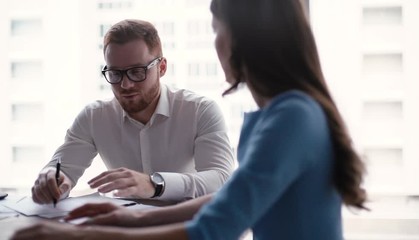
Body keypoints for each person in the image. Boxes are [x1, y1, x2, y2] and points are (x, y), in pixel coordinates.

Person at [11, 0, 367, 239]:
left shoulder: (291, 118)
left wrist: (81, 235)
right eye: (116, 74)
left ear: (246, 40)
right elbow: (229, 198)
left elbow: (216, 226)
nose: (126, 85)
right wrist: (129, 217)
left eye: (216, 30)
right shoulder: (285, 113)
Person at [30, 19, 235, 203]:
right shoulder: (94, 117)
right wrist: (51, 181)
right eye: (115, 73)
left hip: (184, 229)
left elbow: (221, 179)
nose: (126, 84)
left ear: (161, 68)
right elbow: (61, 169)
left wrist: (155, 184)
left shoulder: (200, 110)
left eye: (137, 71)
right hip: (124, 229)